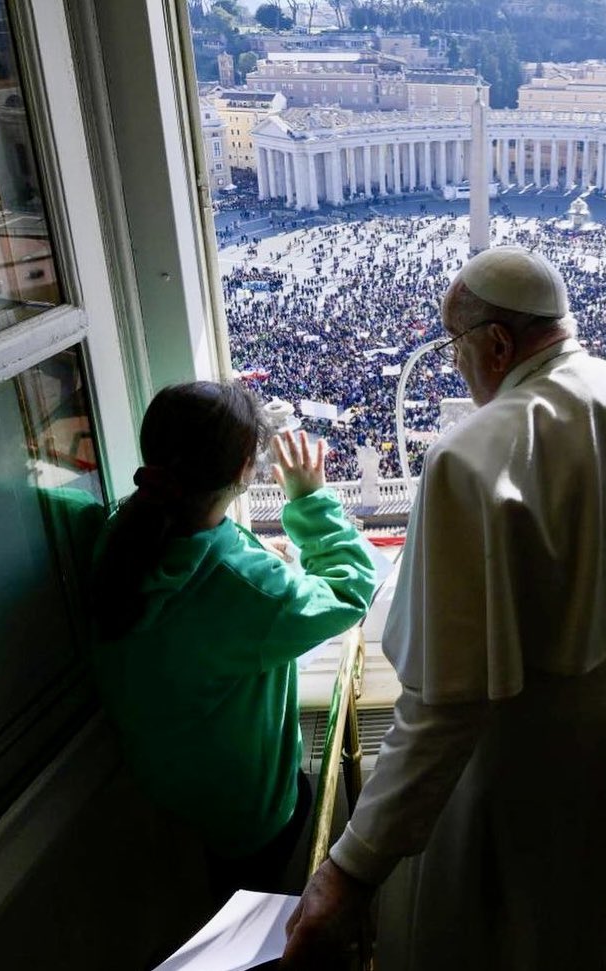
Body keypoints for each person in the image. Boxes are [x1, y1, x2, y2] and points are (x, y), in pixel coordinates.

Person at [282, 246, 606, 970]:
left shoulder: (467, 455)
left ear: (496, 343)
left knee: (531, 934)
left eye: (455, 348)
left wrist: (351, 865)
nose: (455, 366)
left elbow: (445, 702)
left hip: (541, 748)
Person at [91, 381, 377, 902]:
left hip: (167, 781)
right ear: (247, 469)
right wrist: (310, 499)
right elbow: (351, 588)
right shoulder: (248, 588)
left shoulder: (120, 533)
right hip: (246, 811)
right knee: (250, 931)